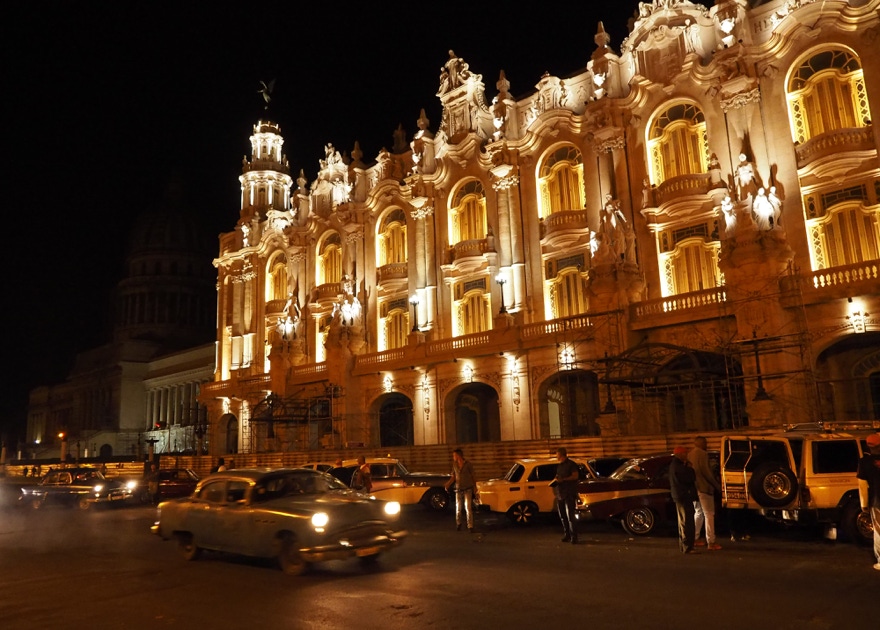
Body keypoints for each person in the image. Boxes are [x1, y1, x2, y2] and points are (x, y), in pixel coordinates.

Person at [688, 436, 722, 550]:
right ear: (701, 443)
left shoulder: (690, 454)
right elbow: (707, 472)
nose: (707, 445)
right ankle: (711, 541)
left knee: (698, 513)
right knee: (709, 514)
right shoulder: (703, 454)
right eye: (705, 443)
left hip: (695, 488)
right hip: (704, 488)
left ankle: (694, 538)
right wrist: (717, 485)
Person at [857, 433, 880, 571]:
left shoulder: (864, 462)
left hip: (877, 501)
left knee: (878, 531)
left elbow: (862, 486)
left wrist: (864, 504)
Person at [670, 445, 698, 554]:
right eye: (685, 453)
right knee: (687, 522)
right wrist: (690, 468)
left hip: (680, 496)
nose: (686, 455)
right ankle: (687, 546)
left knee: (683, 521)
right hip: (684, 496)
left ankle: (685, 546)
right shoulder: (680, 467)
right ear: (680, 454)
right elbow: (690, 478)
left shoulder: (675, 465)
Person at [444, 448, 477, 533]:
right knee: (458, 508)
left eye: (454, 455)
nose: (453, 457)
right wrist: (448, 484)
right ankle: (458, 524)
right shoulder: (454, 465)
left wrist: (475, 487)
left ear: (458, 456)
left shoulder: (468, 464)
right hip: (458, 489)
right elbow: (454, 476)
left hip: (468, 488)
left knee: (468, 508)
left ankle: (470, 526)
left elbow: (473, 475)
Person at [554, 447, 580, 544]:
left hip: (569, 493)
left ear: (561, 454)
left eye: (557, 454)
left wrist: (564, 479)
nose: (556, 456)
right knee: (563, 516)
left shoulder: (571, 464)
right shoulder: (559, 466)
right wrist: (556, 479)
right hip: (560, 493)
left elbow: (575, 476)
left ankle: (574, 537)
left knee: (570, 516)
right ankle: (567, 535)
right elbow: (559, 475)